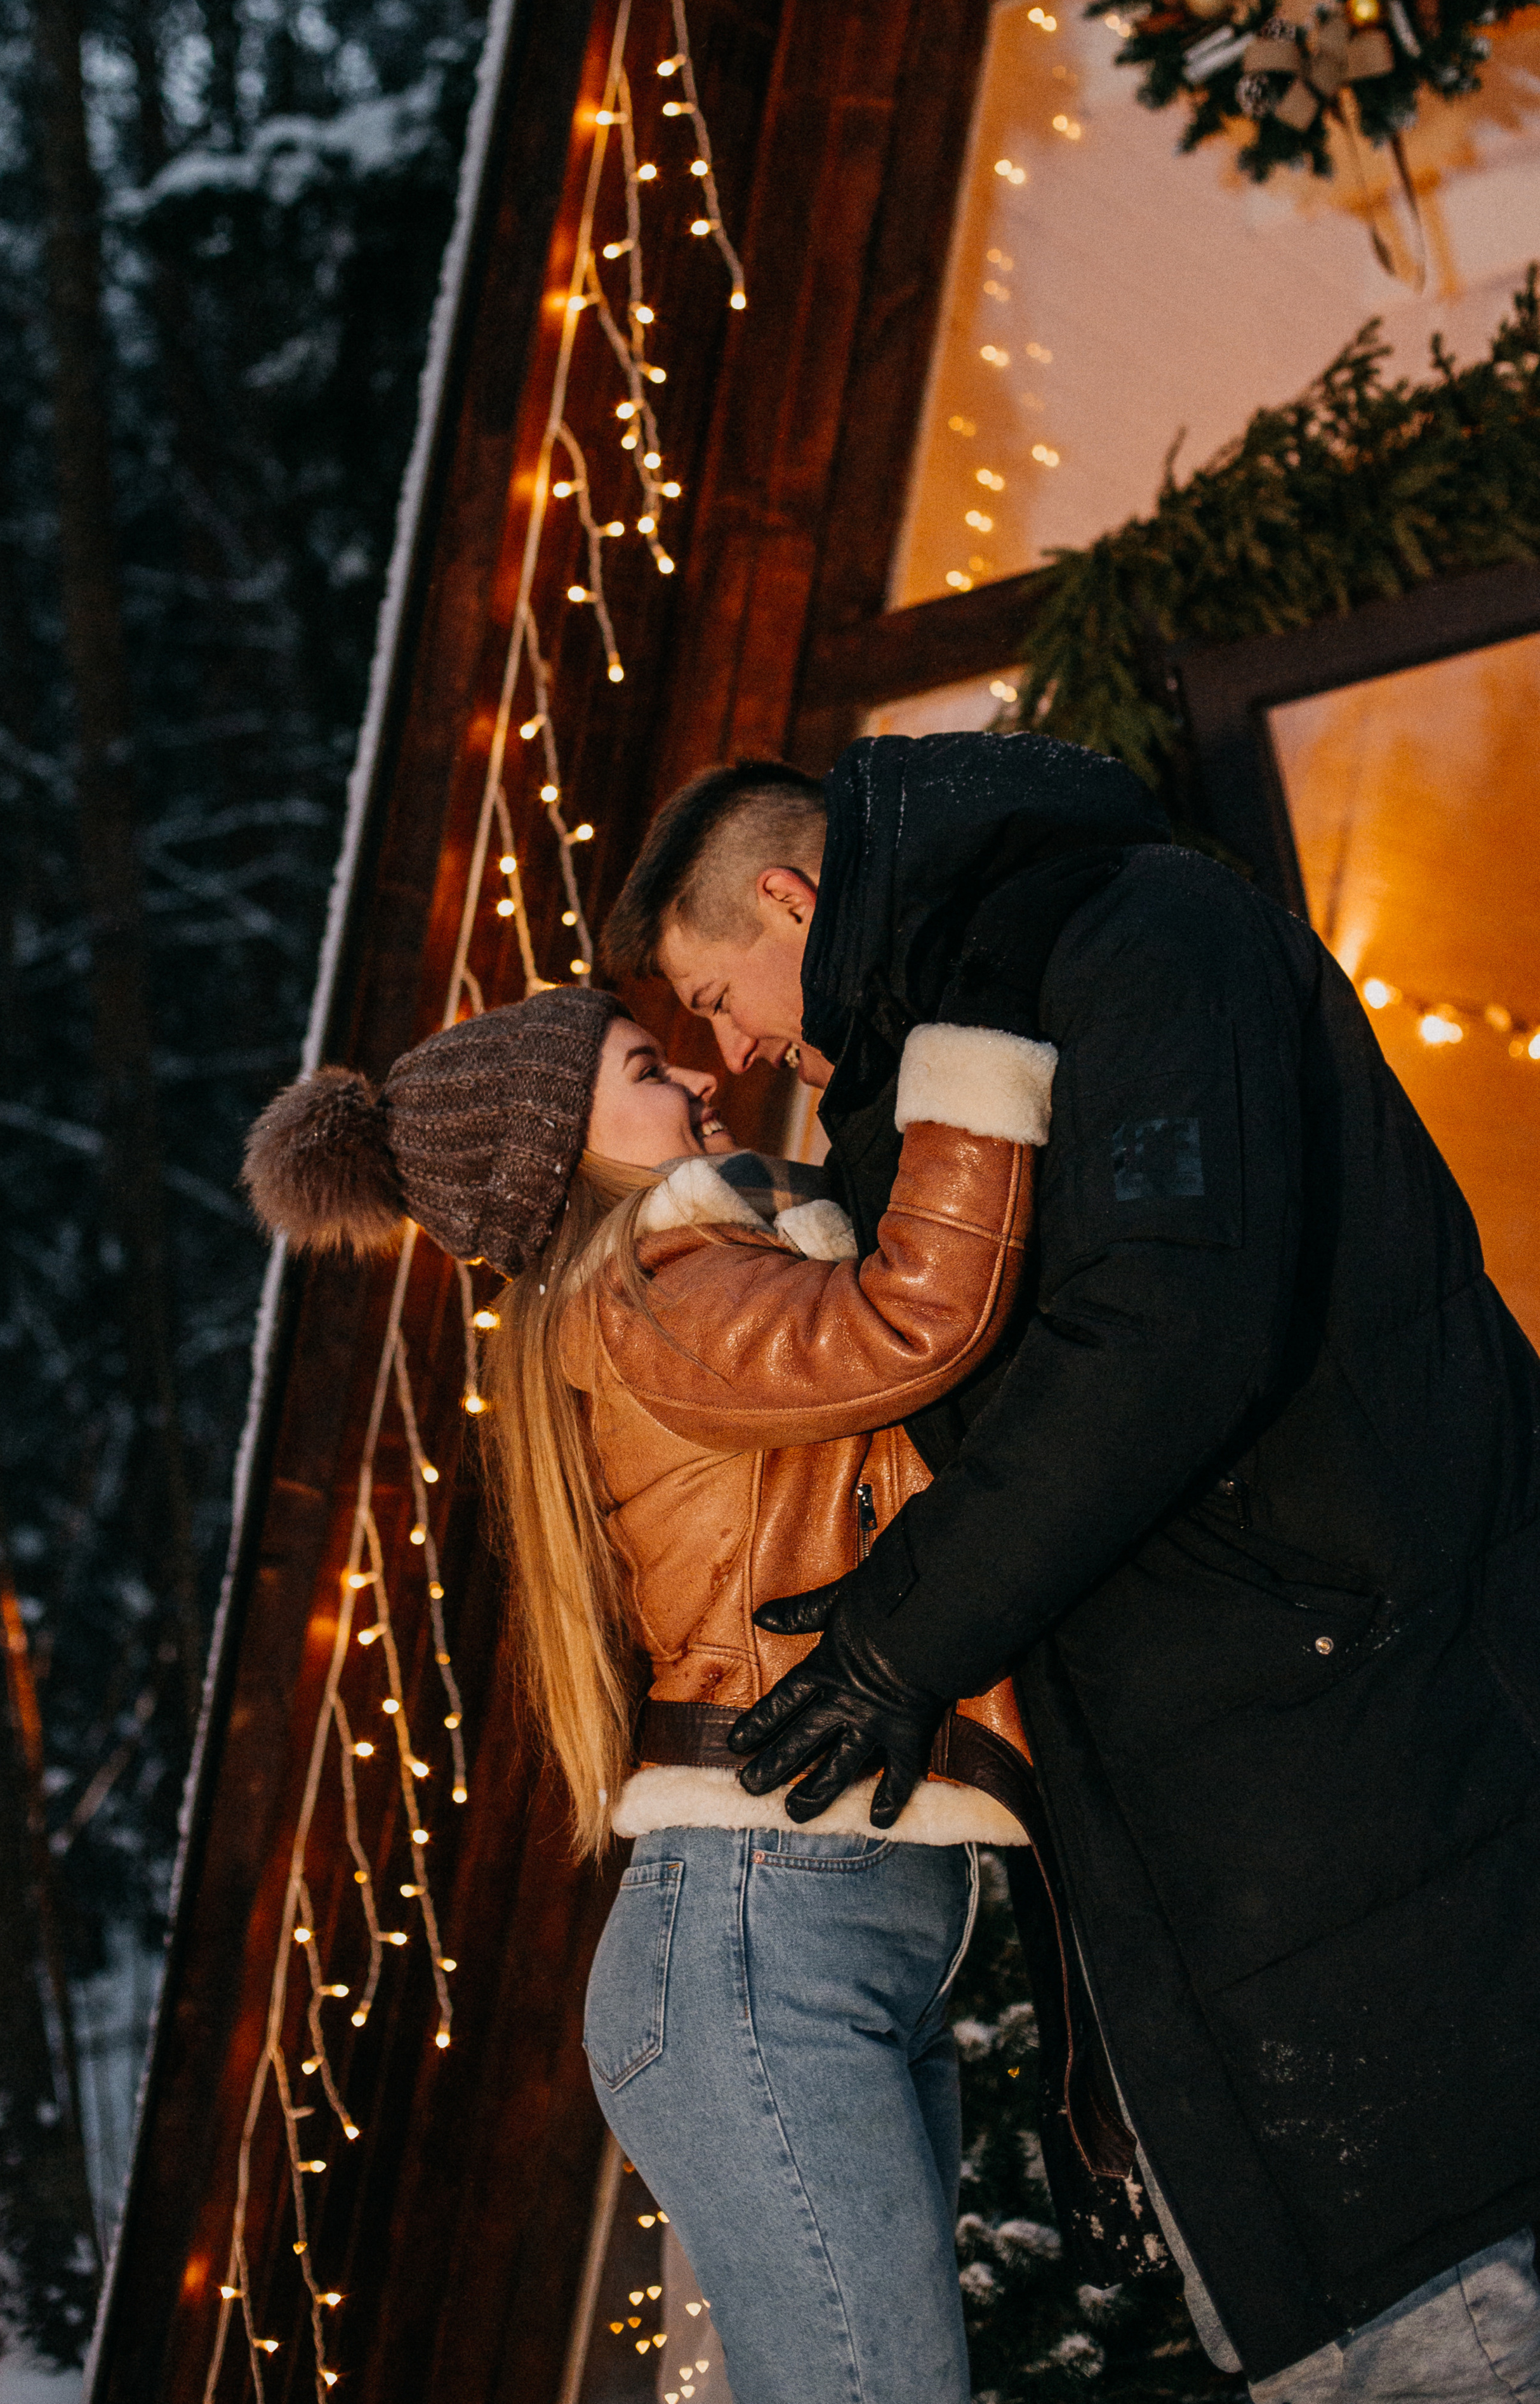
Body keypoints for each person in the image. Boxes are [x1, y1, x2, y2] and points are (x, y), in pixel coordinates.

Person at [600, 734, 1540, 2400]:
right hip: (1271, 1875)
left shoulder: (1140, 938)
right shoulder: (938, 1084)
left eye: (716, 997)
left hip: (1376, 1854)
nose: (732, 1052)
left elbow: (1162, 1333)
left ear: (792, 894)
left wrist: (898, 1639)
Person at [242, 984, 1068, 2404]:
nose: (688, 1070)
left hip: (805, 1932)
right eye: (639, 1065)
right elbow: (911, 1323)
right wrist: (970, 1082)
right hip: (764, 1939)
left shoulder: (700, 1270)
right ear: (565, 1150)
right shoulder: (654, 1295)